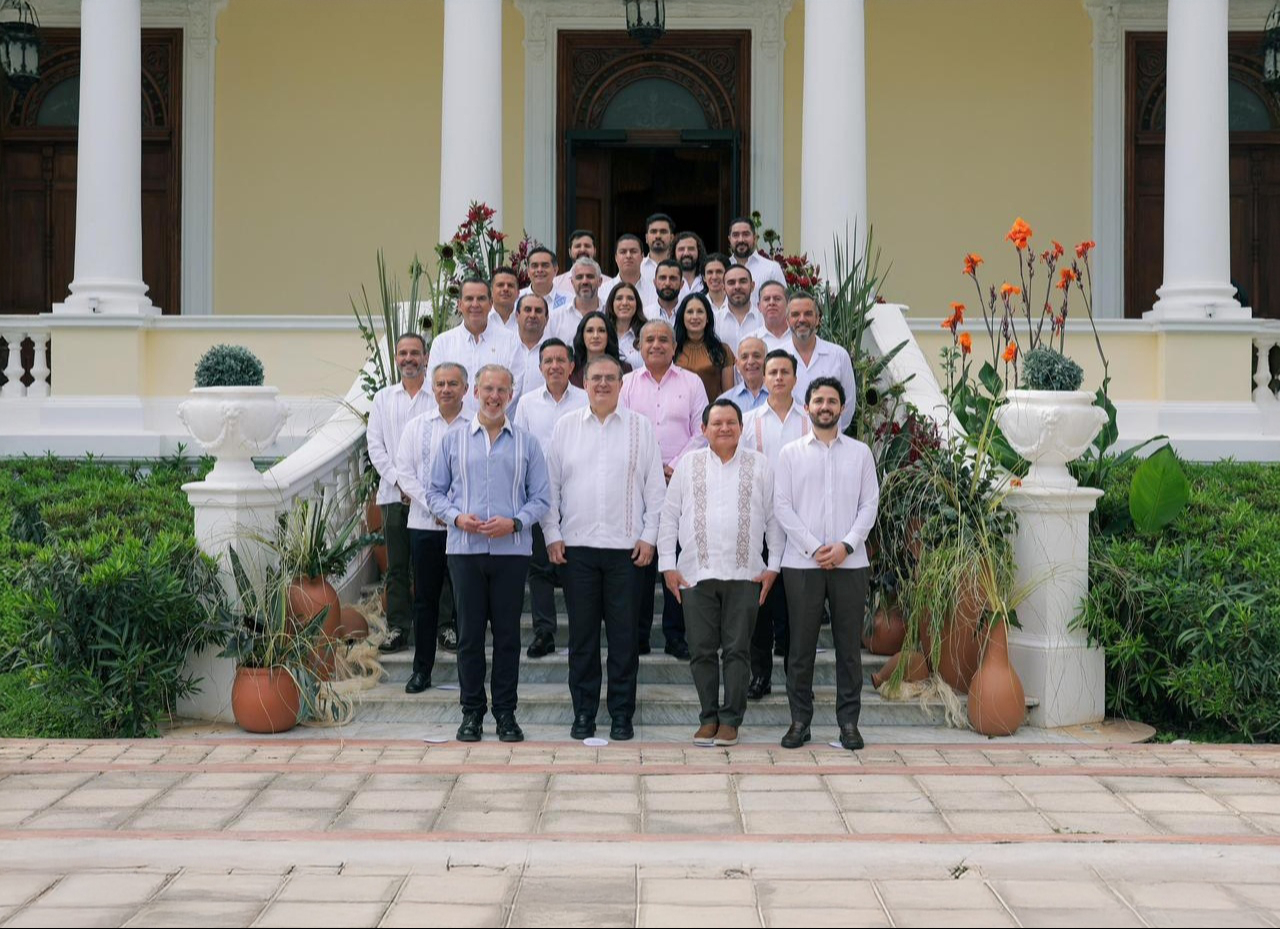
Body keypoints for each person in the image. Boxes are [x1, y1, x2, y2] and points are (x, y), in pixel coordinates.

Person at [544, 355, 666, 742]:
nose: (602, 384)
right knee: (581, 639)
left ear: (621, 383)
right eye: (595, 377)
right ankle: (583, 713)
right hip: (577, 549)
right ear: (584, 381)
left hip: (625, 552)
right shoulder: (565, 428)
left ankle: (620, 715)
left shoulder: (640, 428)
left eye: (610, 378)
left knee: (624, 639)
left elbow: (654, 489)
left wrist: (649, 537)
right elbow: (550, 489)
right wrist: (552, 534)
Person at [426, 365, 551, 743]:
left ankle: (506, 714)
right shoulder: (453, 440)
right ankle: (471, 713)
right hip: (465, 551)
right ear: (475, 392)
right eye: (488, 389)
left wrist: (514, 522)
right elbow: (433, 493)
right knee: (468, 637)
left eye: (502, 390)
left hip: (511, 552)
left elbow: (542, 497)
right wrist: (456, 517)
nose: (494, 396)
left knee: (508, 637)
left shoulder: (527, 443)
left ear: (511, 395)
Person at [658, 399, 782, 747]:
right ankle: (708, 717)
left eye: (731, 423)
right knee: (700, 649)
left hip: (745, 573)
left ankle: (731, 719)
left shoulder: (760, 466)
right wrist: (668, 564)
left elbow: (773, 520)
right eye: (717, 423)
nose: (724, 428)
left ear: (741, 428)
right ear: (704, 430)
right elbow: (669, 516)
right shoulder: (688, 465)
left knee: (738, 650)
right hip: (696, 573)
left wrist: (773, 566)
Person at [773, 376, 878, 752]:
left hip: (851, 564)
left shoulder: (860, 453)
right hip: (802, 564)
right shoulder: (790, 453)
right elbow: (782, 506)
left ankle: (849, 723)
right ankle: (799, 721)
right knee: (799, 648)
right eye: (818, 400)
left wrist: (846, 546)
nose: (825, 407)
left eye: (832, 401)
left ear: (842, 408)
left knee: (848, 649)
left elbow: (870, 505)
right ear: (807, 407)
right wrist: (816, 547)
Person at [620, 319, 708, 660]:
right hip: (638, 481)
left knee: (679, 558)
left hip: (681, 480)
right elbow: (622, 428)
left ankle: (676, 635)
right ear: (639, 347)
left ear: (674, 347)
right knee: (641, 559)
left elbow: (702, 428)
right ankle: (639, 634)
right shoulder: (626, 384)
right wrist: (651, 466)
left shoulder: (692, 382)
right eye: (649, 340)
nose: (656, 345)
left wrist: (675, 465)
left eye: (663, 340)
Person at [394, 361, 472, 693]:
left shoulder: (476, 427)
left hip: (466, 528)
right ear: (433, 387)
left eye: (452, 384)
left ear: (465, 389)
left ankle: (470, 674)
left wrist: (455, 513)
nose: (445, 390)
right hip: (425, 526)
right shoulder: (416, 426)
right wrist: (436, 508)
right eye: (440, 384)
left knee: (468, 602)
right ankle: (421, 670)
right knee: (425, 601)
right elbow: (405, 473)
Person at [513, 338, 588, 660]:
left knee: (576, 569)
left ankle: (581, 633)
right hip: (540, 495)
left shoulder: (586, 399)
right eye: (549, 361)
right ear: (540, 367)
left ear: (572, 366)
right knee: (540, 568)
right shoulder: (528, 403)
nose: (555, 366)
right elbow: (519, 449)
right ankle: (544, 632)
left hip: (579, 494)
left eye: (561, 360)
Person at [741, 349, 810, 698]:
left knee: (797, 608)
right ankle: (760, 675)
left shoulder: (809, 420)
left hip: (801, 526)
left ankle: (797, 680)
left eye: (785, 371)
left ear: (795, 379)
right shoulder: (750, 421)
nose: (779, 377)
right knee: (760, 604)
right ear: (763, 379)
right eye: (773, 372)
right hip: (761, 523)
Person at [366, 332, 436, 655]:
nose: (409, 358)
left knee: (437, 565)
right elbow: (375, 447)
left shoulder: (436, 396)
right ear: (396, 358)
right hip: (394, 497)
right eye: (403, 353)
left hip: (431, 499)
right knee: (396, 566)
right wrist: (401, 483)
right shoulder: (383, 399)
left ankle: (442, 626)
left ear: (425, 357)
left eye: (415, 353)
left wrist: (420, 488)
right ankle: (397, 627)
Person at [427, 277, 526, 415]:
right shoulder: (442, 343)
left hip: (496, 428)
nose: (475, 304)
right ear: (460, 304)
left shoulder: (510, 340)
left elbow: (515, 387)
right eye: (469, 299)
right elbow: (433, 386)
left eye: (481, 298)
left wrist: (487, 418)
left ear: (491, 303)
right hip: (455, 427)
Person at [787, 291, 858, 433]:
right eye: (795, 314)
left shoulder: (838, 355)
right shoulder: (778, 357)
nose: (801, 319)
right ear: (787, 320)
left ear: (818, 319)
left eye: (808, 314)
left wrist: (830, 432)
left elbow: (848, 404)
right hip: (789, 442)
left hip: (829, 441)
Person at [674, 292, 734, 401]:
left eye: (700, 312)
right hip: (679, 413)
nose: (695, 317)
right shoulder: (672, 350)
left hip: (714, 414)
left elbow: (729, 395)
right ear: (682, 317)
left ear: (707, 318)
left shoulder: (722, 350)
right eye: (690, 312)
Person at [570, 311, 631, 389]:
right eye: (590, 331)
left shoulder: (625, 369)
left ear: (608, 335)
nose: (595, 336)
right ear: (582, 336)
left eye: (601, 330)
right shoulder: (571, 370)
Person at [727, 216, 786, 298]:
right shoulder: (724, 268)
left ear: (755, 238)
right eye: (736, 235)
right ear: (730, 239)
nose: (741, 240)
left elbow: (782, 302)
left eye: (746, 234)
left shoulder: (772, 269)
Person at [551, 256, 605, 343]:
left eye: (590, 276)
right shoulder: (556, 318)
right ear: (572, 282)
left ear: (600, 281)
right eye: (579, 277)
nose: (585, 281)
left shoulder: (610, 313)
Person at [716, 264, 763, 356]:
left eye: (743, 281)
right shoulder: (714, 320)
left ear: (752, 286)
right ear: (723, 288)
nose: (737, 287)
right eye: (731, 283)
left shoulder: (763, 319)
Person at [602, 233, 658, 307]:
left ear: (642, 256)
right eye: (623, 252)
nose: (628, 256)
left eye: (633, 251)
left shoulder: (655, 291)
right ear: (616, 257)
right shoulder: (603, 291)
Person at [718, 336, 769, 413]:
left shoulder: (781, 396)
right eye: (744, 357)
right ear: (737, 364)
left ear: (767, 361)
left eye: (756, 356)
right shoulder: (725, 401)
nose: (751, 362)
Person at [514, 292, 551, 396]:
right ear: (517, 316)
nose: (532, 315)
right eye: (527, 310)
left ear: (547, 318)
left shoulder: (555, 351)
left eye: (538, 311)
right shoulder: (504, 346)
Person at [605, 280, 648, 370]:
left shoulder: (647, 334)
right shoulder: (602, 332)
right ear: (611, 303)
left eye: (630, 298)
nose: (624, 303)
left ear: (637, 304)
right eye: (619, 298)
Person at [520, 247, 571, 316]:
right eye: (535, 266)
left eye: (545, 265)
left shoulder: (569, 301)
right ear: (528, 271)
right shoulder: (516, 299)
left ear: (555, 270)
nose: (539, 270)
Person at [747, 280, 792, 353]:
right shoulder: (750, 340)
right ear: (759, 306)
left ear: (788, 304)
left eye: (777, 299)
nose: (771, 303)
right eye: (767, 299)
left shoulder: (799, 337)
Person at [554, 229, 598, 296]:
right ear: (569, 252)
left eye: (587, 246)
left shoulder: (608, 284)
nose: (582, 250)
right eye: (577, 246)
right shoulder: (556, 283)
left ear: (594, 251)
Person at [640, 212, 675, 283]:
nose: (658, 236)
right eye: (653, 231)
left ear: (672, 238)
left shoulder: (680, 267)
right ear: (646, 238)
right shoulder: (638, 267)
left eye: (663, 232)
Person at [673, 230, 705, 299]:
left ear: (698, 251)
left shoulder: (707, 280)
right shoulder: (669, 281)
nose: (686, 253)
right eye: (681, 249)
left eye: (691, 249)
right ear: (674, 253)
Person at [649, 259, 682, 325]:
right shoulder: (645, 315)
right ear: (654, 282)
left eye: (673, 278)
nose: (667, 283)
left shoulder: (689, 314)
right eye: (662, 278)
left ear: (681, 284)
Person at [488, 266, 522, 333]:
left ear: (518, 293)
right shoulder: (482, 319)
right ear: (491, 291)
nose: (505, 289)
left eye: (510, 285)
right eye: (500, 285)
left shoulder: (525, 320)